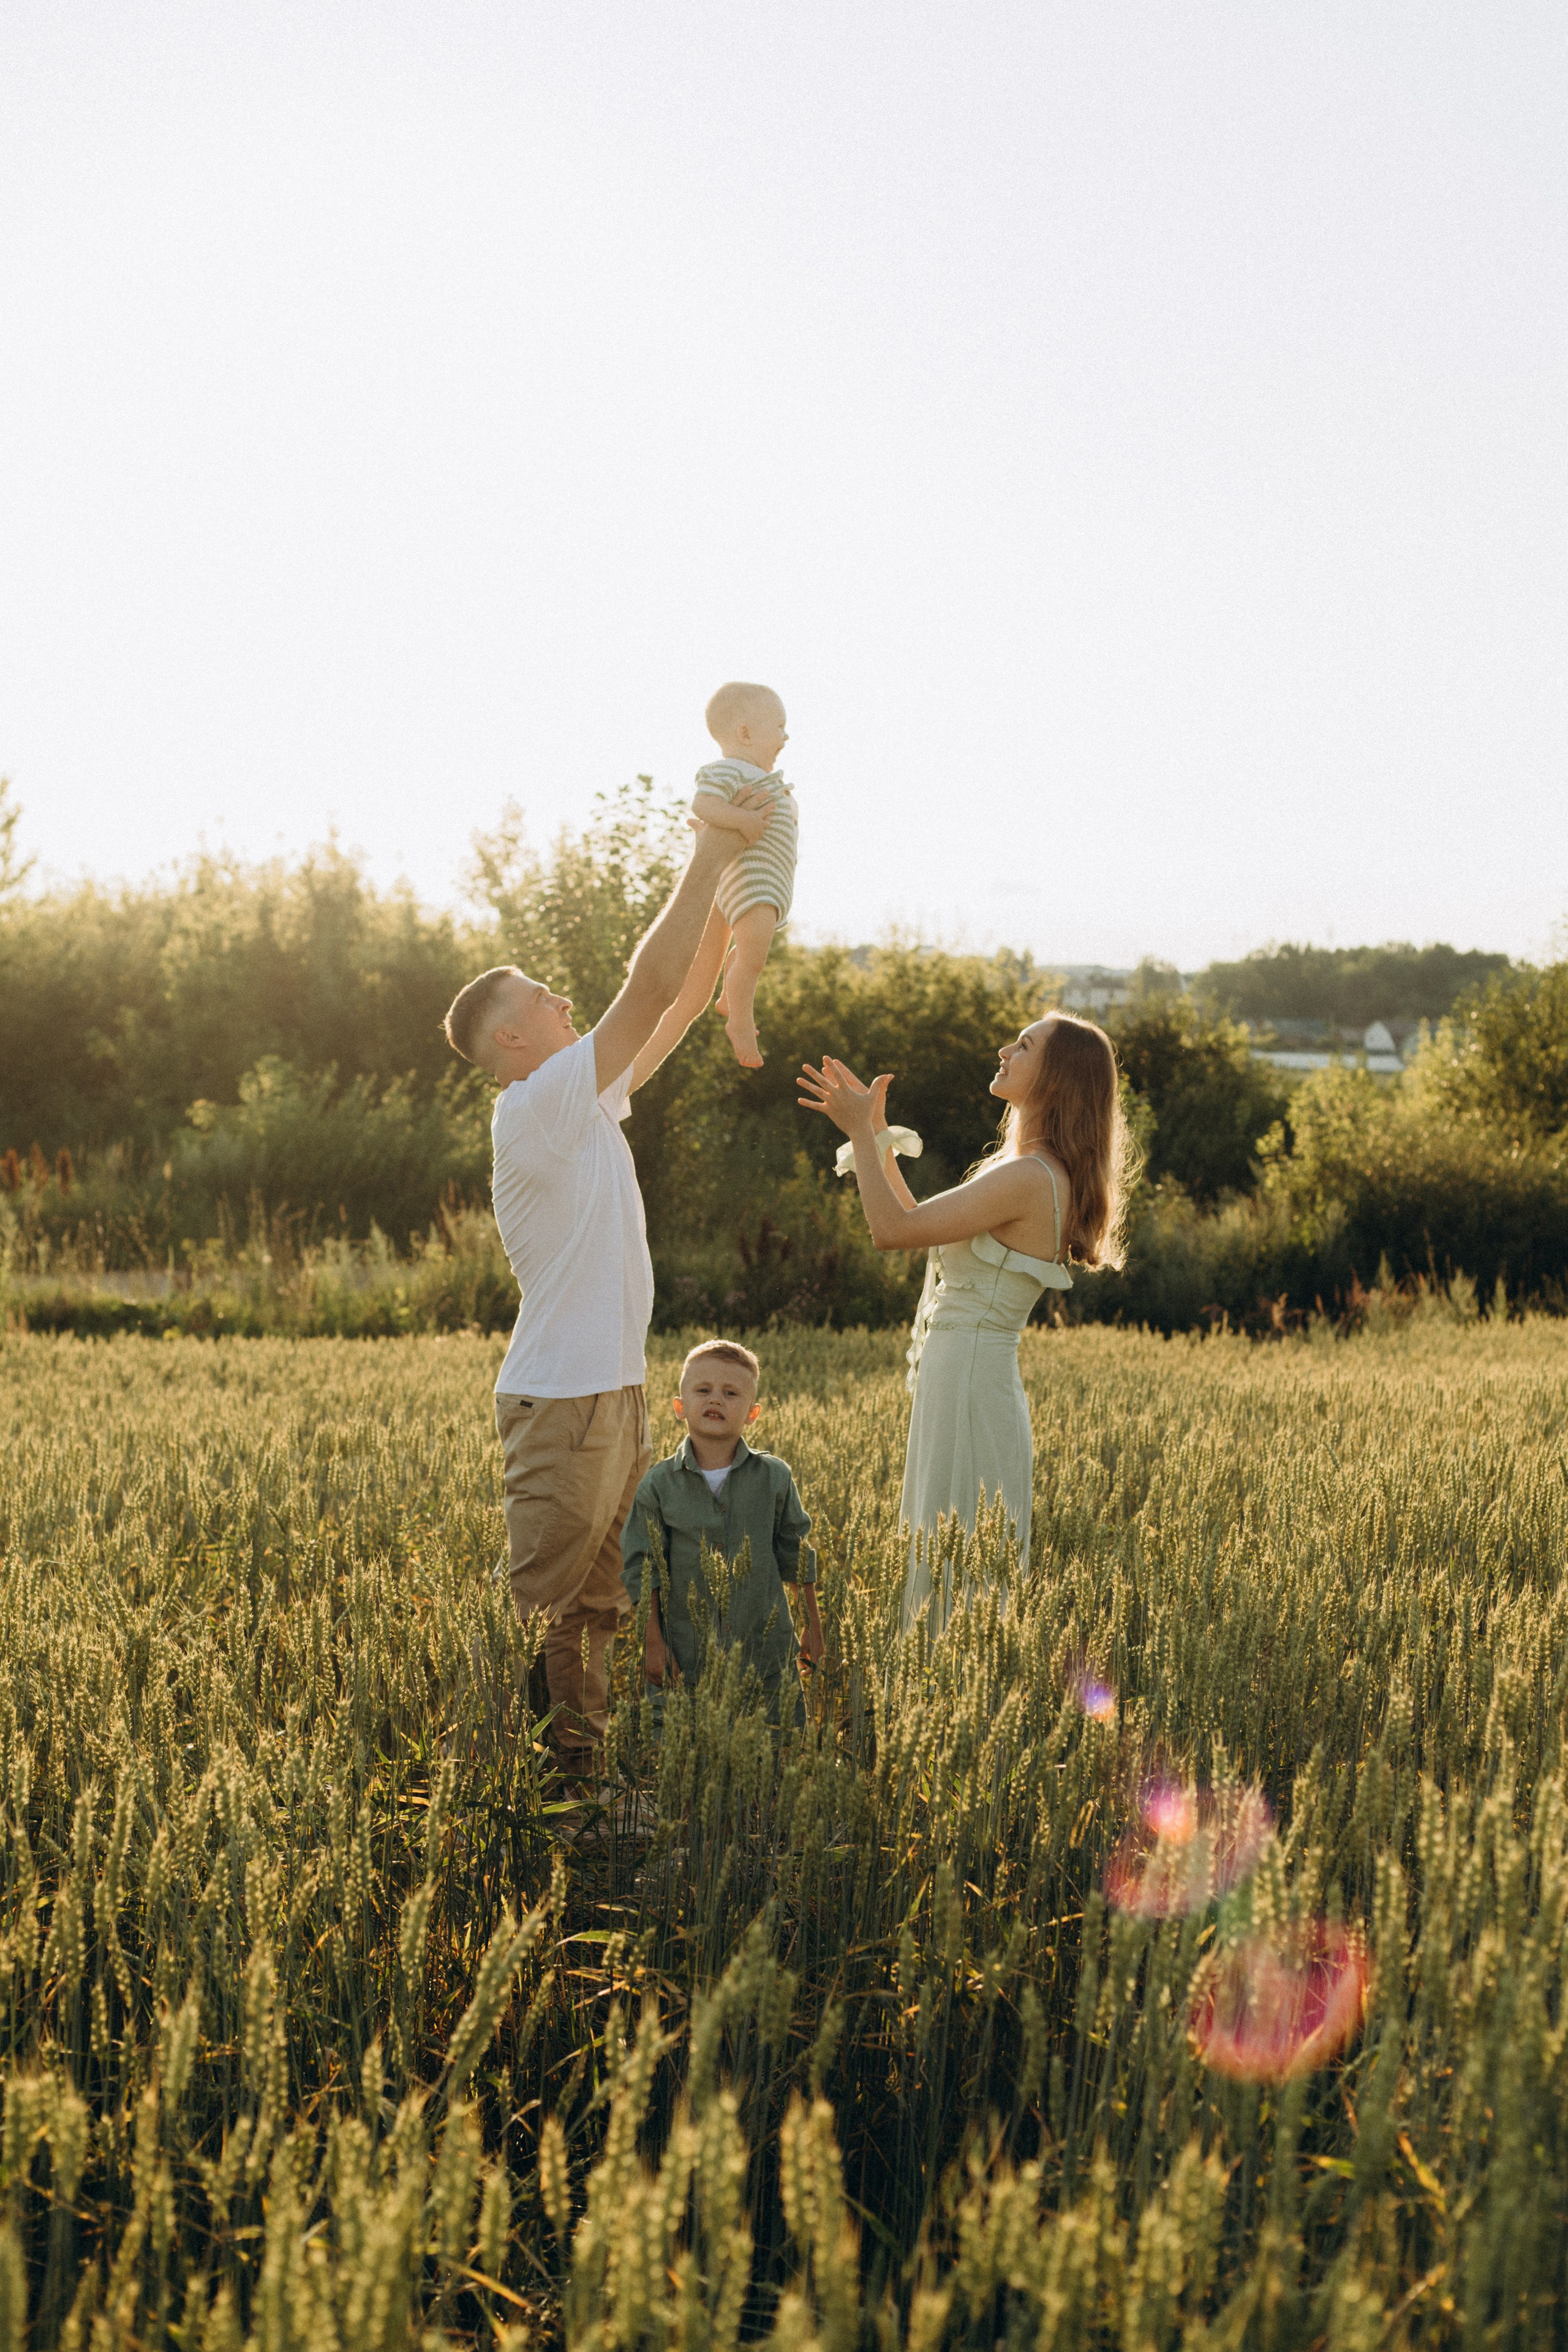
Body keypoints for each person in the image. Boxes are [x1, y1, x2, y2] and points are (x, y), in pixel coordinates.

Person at [442, 785, 774, 1792]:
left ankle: (578, 1785)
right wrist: (713, 838)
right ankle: (523, 1801)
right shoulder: (535, 1107)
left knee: (598, 1609)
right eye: (543, 997)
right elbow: (651, 982)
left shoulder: (582, 1104)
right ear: (510, 1040)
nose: (563, 1001)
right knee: (548, 1608)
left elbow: (677, 1003)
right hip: (560, 1403)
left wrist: (734, 885)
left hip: (611, 1396)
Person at [797, 1014, 1134, 1630]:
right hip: (965, 1374)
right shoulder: (1029, 1171)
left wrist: (859, 1131)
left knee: (958, 1549)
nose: (1006, 1049)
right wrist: (873, 1133)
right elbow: (914, 1217)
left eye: (1025, 1046)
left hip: (972, 1378)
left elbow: (890, 1231)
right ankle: (939, 1698)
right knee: (945, 1540)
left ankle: (947, 1699)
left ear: (1055, 1078)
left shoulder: (1031, 1177)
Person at [622, 1339, 825, 1714]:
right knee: (687, 1762)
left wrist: (812, 1622)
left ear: (752, 1413)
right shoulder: (658, 1486)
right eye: (703, 1390)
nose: (715, 1400)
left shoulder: (774, 1478)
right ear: (680, 1407)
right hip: (686, 1657)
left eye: (731, 1393)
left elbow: (795, 1553)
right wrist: (652, 1642)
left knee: (773, 1756)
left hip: (765, 1659)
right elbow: (643, 1566)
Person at [690, 681, 798, 1068]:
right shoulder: (730, 770)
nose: (786, 736)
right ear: (746, 733)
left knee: (750, 952)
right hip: (752, 882)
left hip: (765, 883)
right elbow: (704, 803)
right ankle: (740, 1022)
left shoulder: (759, 776)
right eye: (780, 726)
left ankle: (728, 996)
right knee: (753, 957)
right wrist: (742, 819)